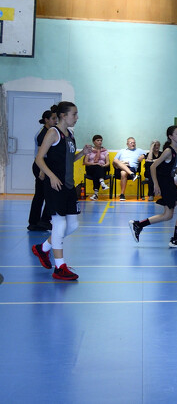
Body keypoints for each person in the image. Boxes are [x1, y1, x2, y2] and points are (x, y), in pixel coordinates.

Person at [31, 101, 92, 281]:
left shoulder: (70, 135)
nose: (77, 117)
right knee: (59, 225)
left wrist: (82, 154)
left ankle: (43, 248)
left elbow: (68, 159)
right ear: (63, 116)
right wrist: (51, 176)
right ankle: (59, 267)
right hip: (55, 185)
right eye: (74, 114)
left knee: (72, 225)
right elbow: (39, 158)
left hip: (68, 186)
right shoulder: (53, 132)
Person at [128, 126, 177, 248]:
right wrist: (156, 184)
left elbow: (174, 168)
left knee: (168, 215)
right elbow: (153, 167)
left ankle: (138, 225)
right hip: (165, 184)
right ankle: (176, 239)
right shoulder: (168, 151)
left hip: (169, 182)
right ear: (170, 136)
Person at [27, 108, 57, 231]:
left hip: (44, 166)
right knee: (43, 194)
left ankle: (39, 222)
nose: (56, 121)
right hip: (41, 167)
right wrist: (42, 171)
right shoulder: (43, 134)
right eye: (53, 118)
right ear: (46, 120)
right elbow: (41, 154)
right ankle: (37, 222)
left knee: (42, 194)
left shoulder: (49, 131)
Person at [84, 134, 110, 201]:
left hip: (102, 168)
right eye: (98, 140)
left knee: (97, 171)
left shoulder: (104, 151)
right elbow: (85, 162)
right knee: (97, 167)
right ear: (94, 142)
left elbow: (108, 163)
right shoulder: (89, 150)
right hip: (91, 168)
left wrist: (104, 165)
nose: (100, 142)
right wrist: (94, 164)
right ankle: (102, 182)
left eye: (101, 140)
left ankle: (96, 194)